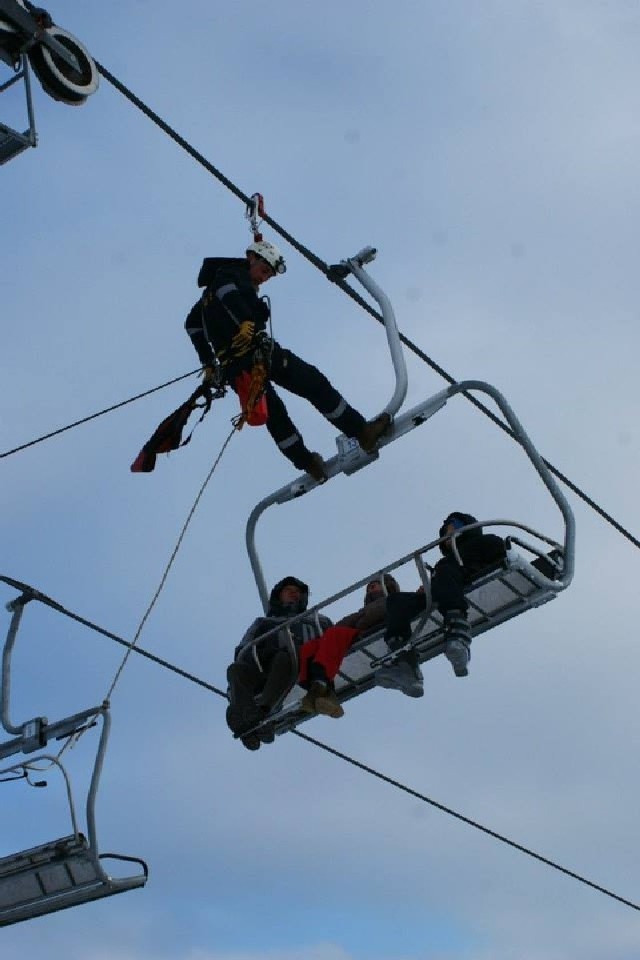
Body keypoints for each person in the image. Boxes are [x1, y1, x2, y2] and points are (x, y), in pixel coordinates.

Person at [185, 240, 391, 481]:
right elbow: (228, 294)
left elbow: (192, 325)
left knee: (274, 415)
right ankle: (362, 432)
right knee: (313, 384)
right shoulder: (230, 275)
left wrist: (208, 362)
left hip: (235, 369)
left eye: (269, 276)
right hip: (258, 353)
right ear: (252, 258)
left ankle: (308, 463)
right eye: (264, 271)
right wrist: (245, 321)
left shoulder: (207, 297)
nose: (264, 279)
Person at [376, 512, 506, 696]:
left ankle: (458, 631)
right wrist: (430, 586)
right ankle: (403, 660)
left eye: (452, 526)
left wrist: (478, 567)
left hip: (467, 578)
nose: (447, 532)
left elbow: (501, 555)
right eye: (445, 531)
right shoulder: (445, 562)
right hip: (444, 589)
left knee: (445, 571)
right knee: (396, 601)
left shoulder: (485, 542)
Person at [226, 576, 332, 750]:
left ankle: (262, 713)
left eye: (298, 592)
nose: (294, 594)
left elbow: (333, 641)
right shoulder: (263, 623)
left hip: (298, 664)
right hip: (264, 668)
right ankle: (247, 717)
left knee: (284, 657)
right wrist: (259, 655)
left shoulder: (316, 621)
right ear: (279, 595)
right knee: (236, 670)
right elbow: (243, 649)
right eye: (289, 591)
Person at [297, 573, 400, 718]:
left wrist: (359, 621)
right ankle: (321, 692)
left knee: (335, 635)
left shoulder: (390, 600)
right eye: (368, 588)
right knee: (310, 647)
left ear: (386, 586)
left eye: (374, 586)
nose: (370, 589)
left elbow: (368, 619)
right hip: (357, 630)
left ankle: (319, 688)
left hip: (371, 629)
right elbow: (346, 622)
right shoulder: (366, 607)